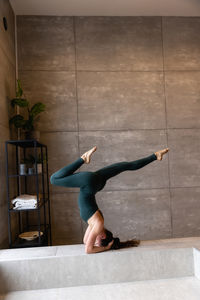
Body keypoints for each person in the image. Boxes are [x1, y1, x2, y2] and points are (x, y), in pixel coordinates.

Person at [50, 146, 169, 254]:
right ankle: (83, 159)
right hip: (89, 183)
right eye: (97, 242)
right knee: (54, 179)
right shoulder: (98, 224)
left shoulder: (95, 224)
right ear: (102, 237)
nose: (94, 241)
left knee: (126, 165)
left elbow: (86, 242)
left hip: (97, 182)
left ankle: (155, 156)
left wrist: (105, 245)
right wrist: (106, 248)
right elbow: (88, 250)